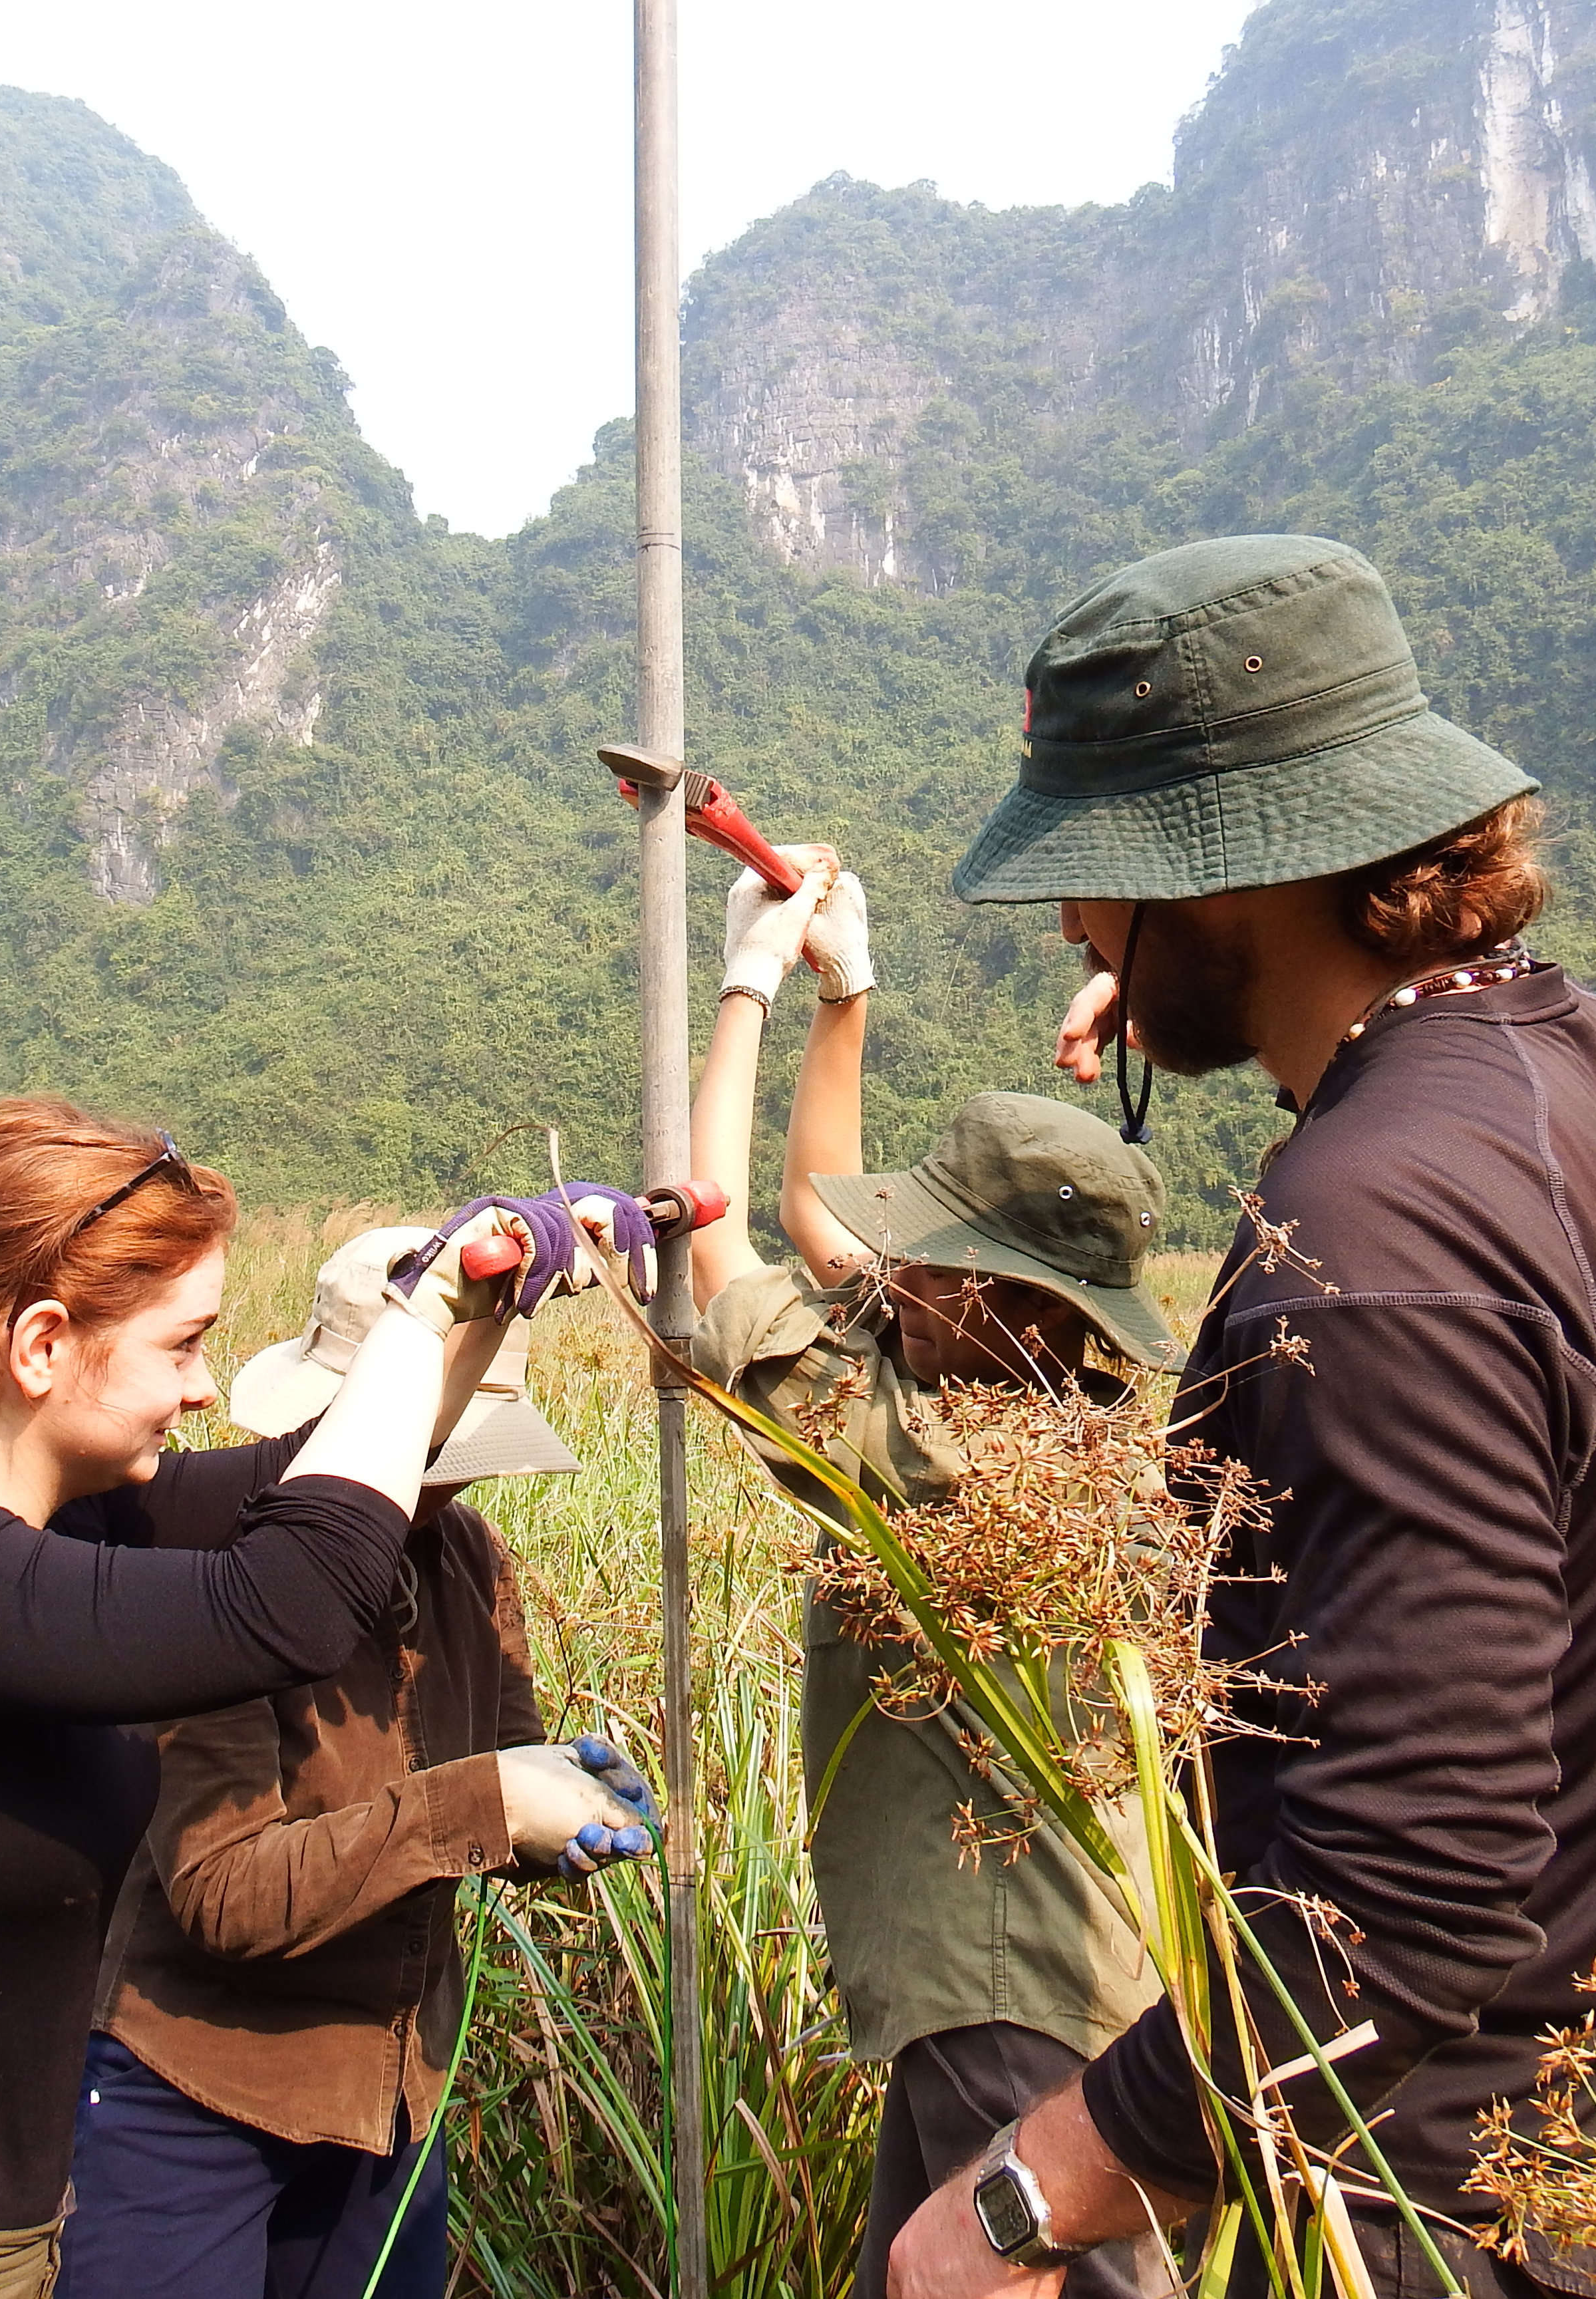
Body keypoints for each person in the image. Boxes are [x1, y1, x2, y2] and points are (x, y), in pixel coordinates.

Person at [890, 534, 1596, 2298]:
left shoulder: (1371, 1240)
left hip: (1439, 2205)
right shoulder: (1584, 1071)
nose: (1069, 921)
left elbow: (1406, 1901)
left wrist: (1021, 2197)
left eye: (1105, 877)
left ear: (1231, 884)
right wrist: (1216, 993)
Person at [0, 1099, 602, 2299]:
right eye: (181, 1347)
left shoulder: (70, 1518)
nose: (200, 1390)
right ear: (39, 1347)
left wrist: (487, 1304)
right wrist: (419, 1308)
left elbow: (311, 1476)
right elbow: (288, 1601)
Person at [683, 843, 1182, 2299]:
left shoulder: (923, 1458)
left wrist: (747, 986)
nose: (885, 1269)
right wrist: (853, 994)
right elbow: (818, 1219)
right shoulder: (1069, 1432)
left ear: (986, 1292)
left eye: (926, 1256)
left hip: (1005, 1999)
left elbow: (716, 1230)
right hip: (1079, 1984)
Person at [61, 1229, 653, 2299]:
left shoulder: (467, 1557)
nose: (434, 1490)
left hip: (391, 2094)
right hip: (195, 2090)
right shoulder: (221, 1571)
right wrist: (488, 1799)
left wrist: (555, 1802)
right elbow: (224, 1893)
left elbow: (496, 1762)